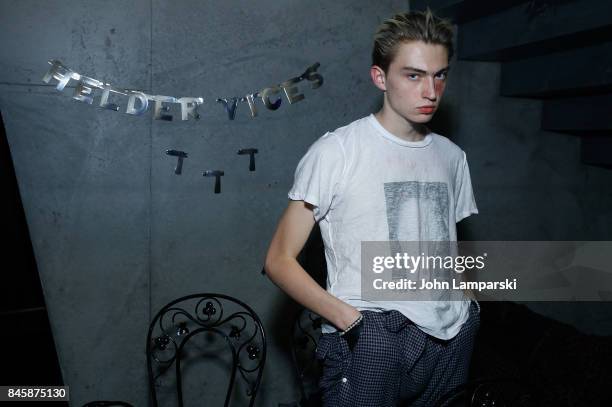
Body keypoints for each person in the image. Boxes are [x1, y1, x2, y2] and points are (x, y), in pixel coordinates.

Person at [264, 8, 480, 406]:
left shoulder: (452, 157)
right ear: (380, 77)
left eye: (440, 75)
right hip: (373, 337)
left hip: (451, 337)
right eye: (413, 75)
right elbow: (279, 260)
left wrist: (466, 306)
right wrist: (354, 323)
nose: (430, 91)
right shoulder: (337, 151)